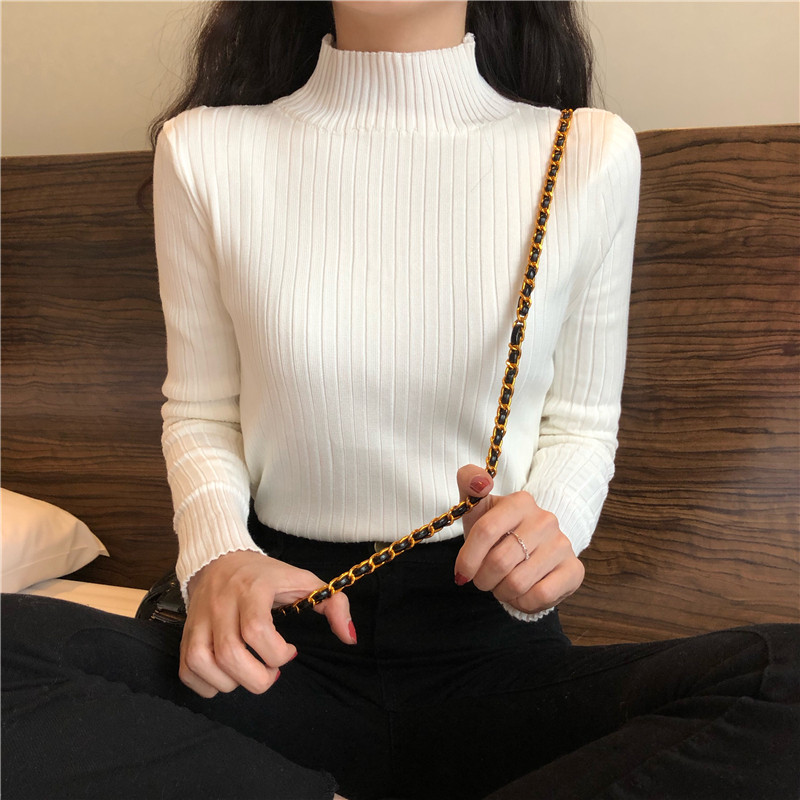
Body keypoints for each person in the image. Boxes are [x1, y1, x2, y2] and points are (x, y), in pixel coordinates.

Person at [2, 2, 798, 799]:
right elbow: (202, 411)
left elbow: (581, 424)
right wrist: (217, 558)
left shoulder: (587, 149)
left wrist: (543, 535)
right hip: (277, 654)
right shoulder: (204, 149)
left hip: (491, 655)